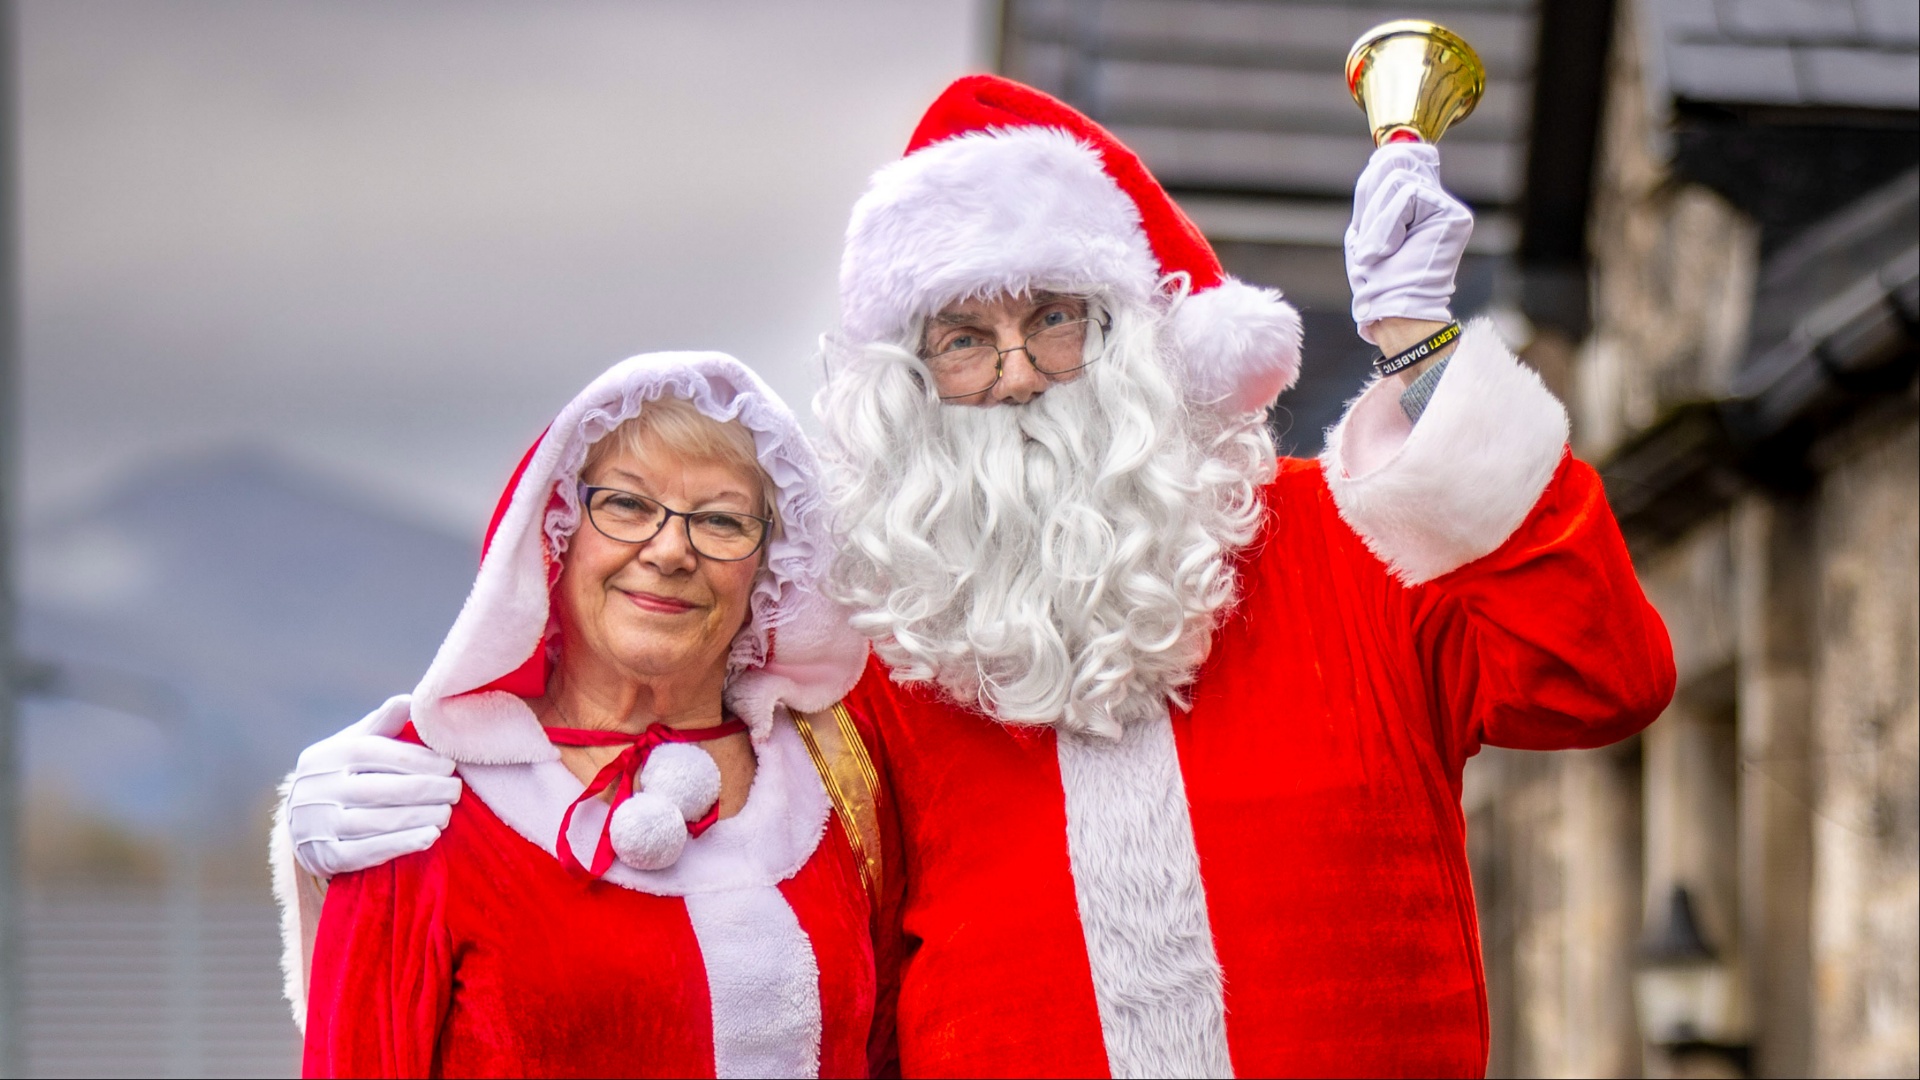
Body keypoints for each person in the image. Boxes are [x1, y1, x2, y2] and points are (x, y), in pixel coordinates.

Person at [284, 76, 1676, 1078]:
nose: (1013, 373)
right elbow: (677, 898)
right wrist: (411, 803)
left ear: (1137, 333)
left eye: (1053, 319)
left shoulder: (1348, 545)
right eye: (963, 336)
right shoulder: (878, 662)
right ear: (911, 381)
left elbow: (1602, 672)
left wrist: (1426, 359)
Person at [287, 353, 877, 1078]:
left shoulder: (833, 784)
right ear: (556, 537)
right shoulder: (418, 792)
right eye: (626, 506)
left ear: (767, 569)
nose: (669, 551)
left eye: (720, 521)